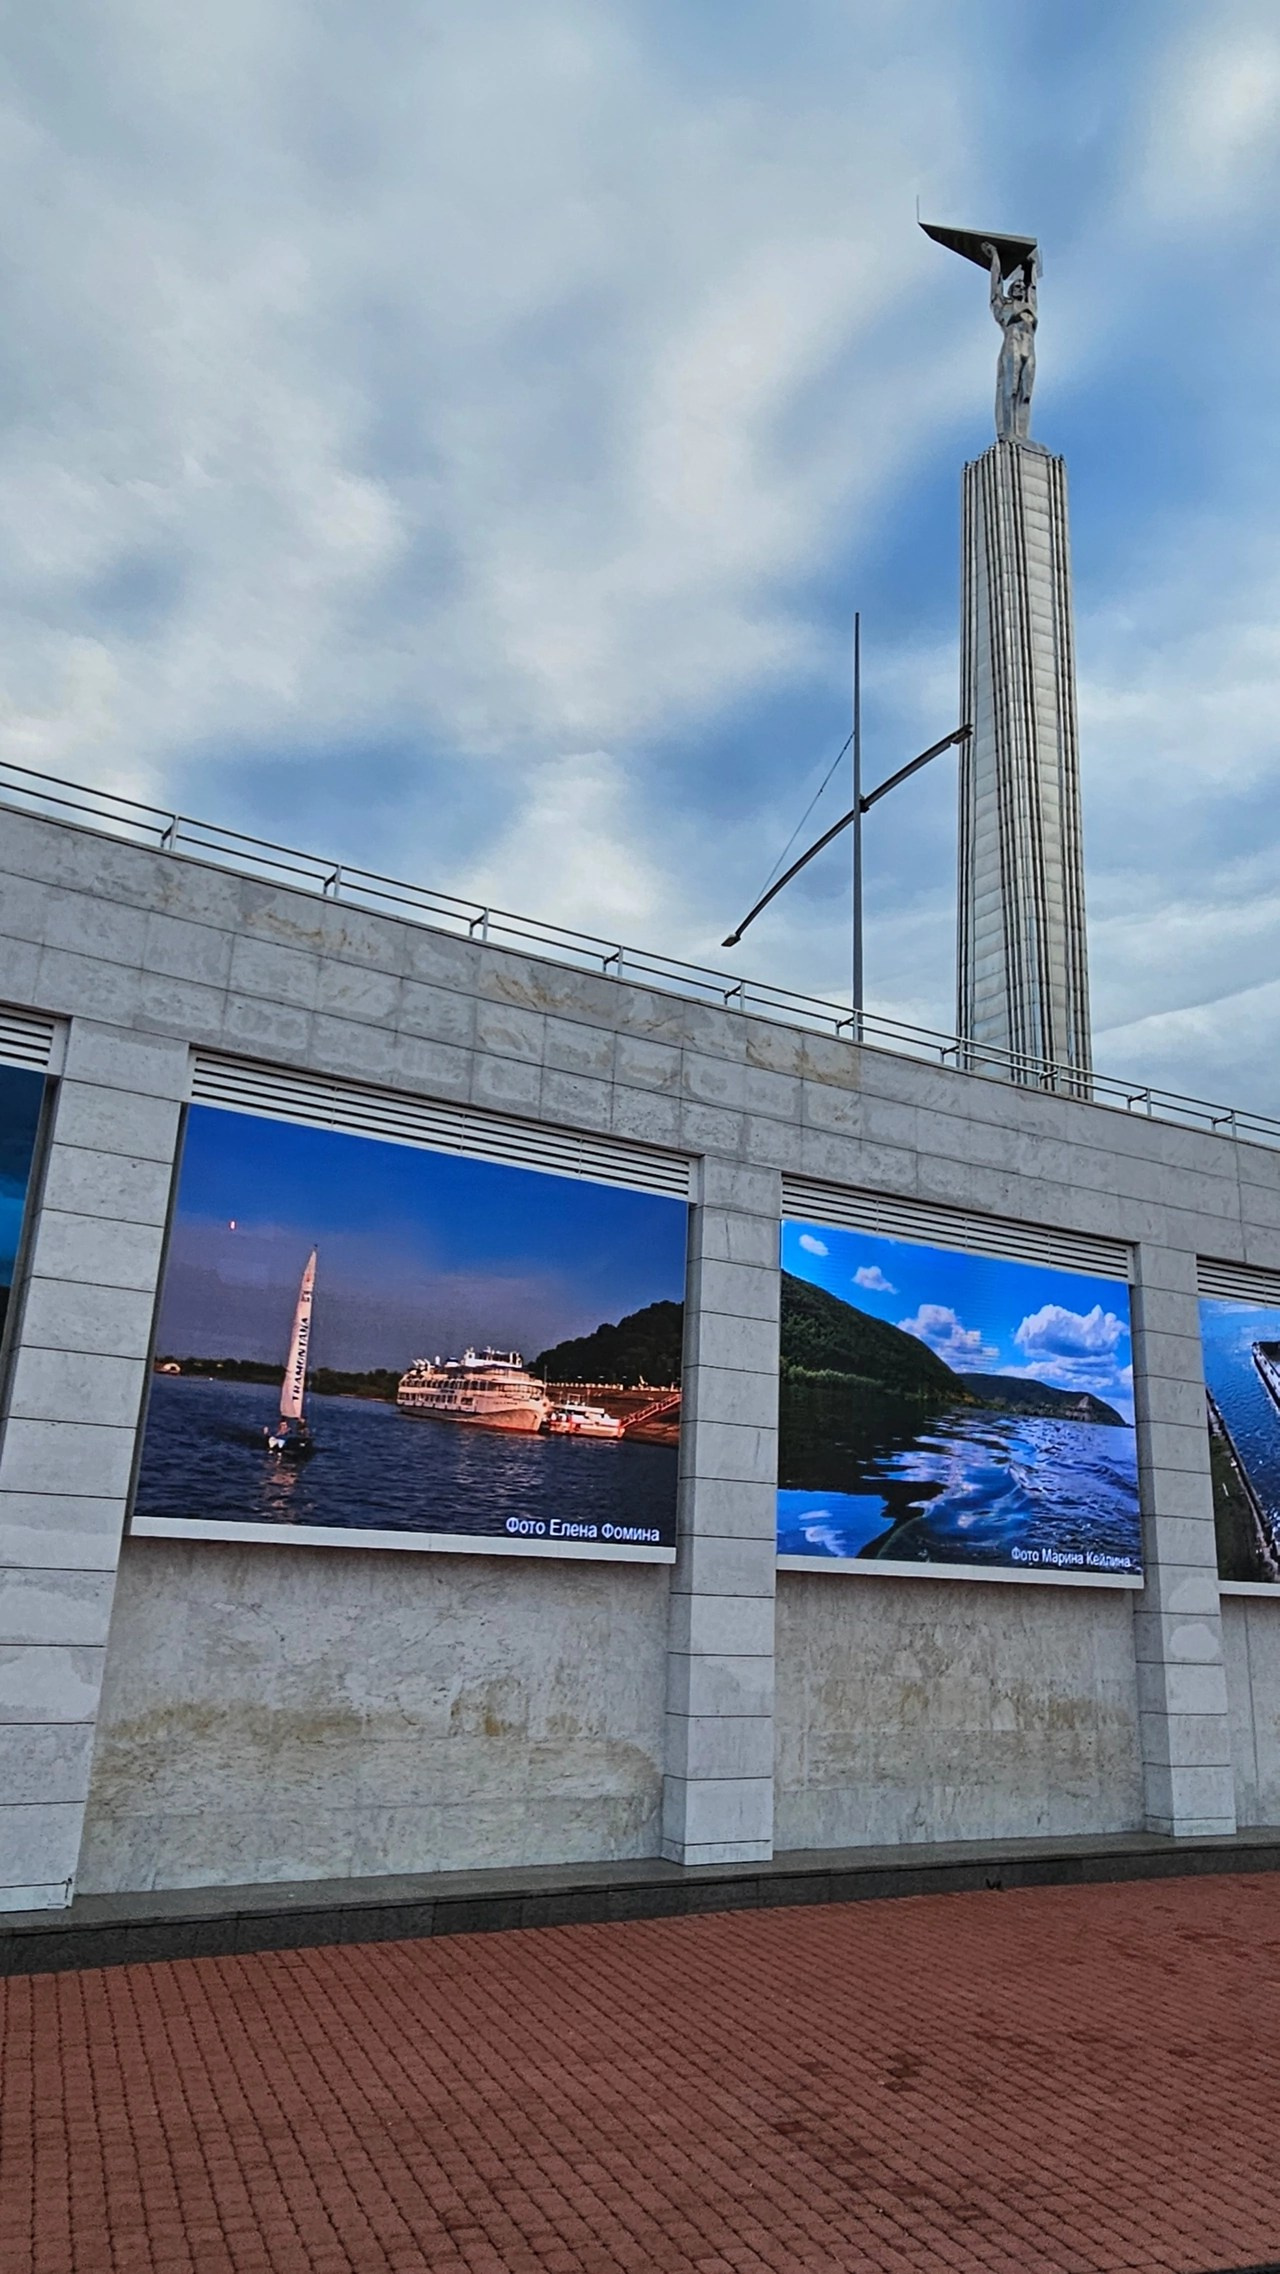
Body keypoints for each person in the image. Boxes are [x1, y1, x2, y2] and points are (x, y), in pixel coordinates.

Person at [984, 240, 1037, 442]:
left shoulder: (1030, 307)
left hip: (1029, 350)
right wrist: (995, 257)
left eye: (1021, 286)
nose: (1020, 288)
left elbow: (1032, 287)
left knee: (1026, 393)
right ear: (1010, 289)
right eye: (1016, 286)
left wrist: (1030, 265)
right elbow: (996, 286)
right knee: (1010, 390)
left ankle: (1022, 436)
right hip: (1012, 346)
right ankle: (1008, 434)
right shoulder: (1003, 307)